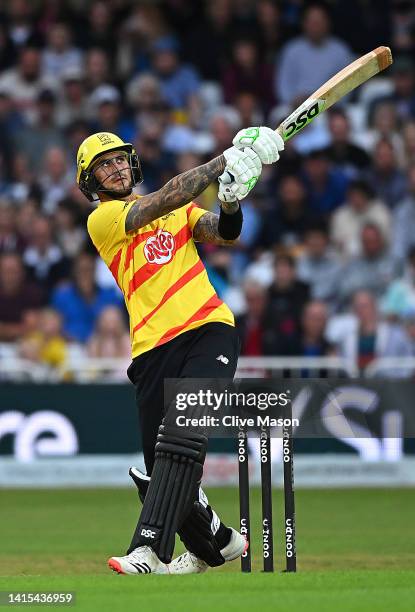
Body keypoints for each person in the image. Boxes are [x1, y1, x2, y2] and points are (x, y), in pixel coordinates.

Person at [77, 128, 284, 575]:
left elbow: (225, 233)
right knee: (162, 472)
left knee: (182, 437)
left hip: (208, 329)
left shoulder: (181, 211)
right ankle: (221, 543)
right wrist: (220, 162)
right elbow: (166, 197)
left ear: (131, 164)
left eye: (119, 160)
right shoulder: (104, 220)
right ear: (90, 181)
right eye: (103, 165)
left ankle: (148, 548)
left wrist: (229, 199)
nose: (115, 169)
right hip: (151, 349)